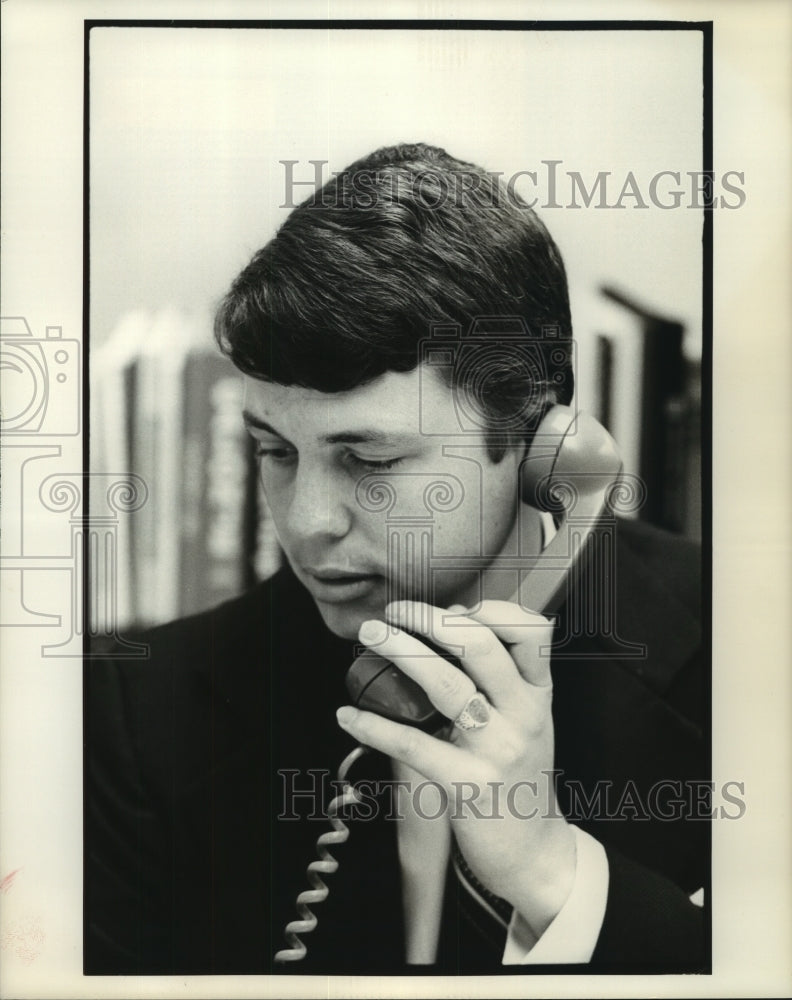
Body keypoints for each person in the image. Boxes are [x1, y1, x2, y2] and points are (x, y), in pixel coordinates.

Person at [84, 143, 707, 976]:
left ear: (541, 445)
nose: (305, 524)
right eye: (273, 450)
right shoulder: (137, 713)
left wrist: (555, 877)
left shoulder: (745, 665)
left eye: (371, 463)